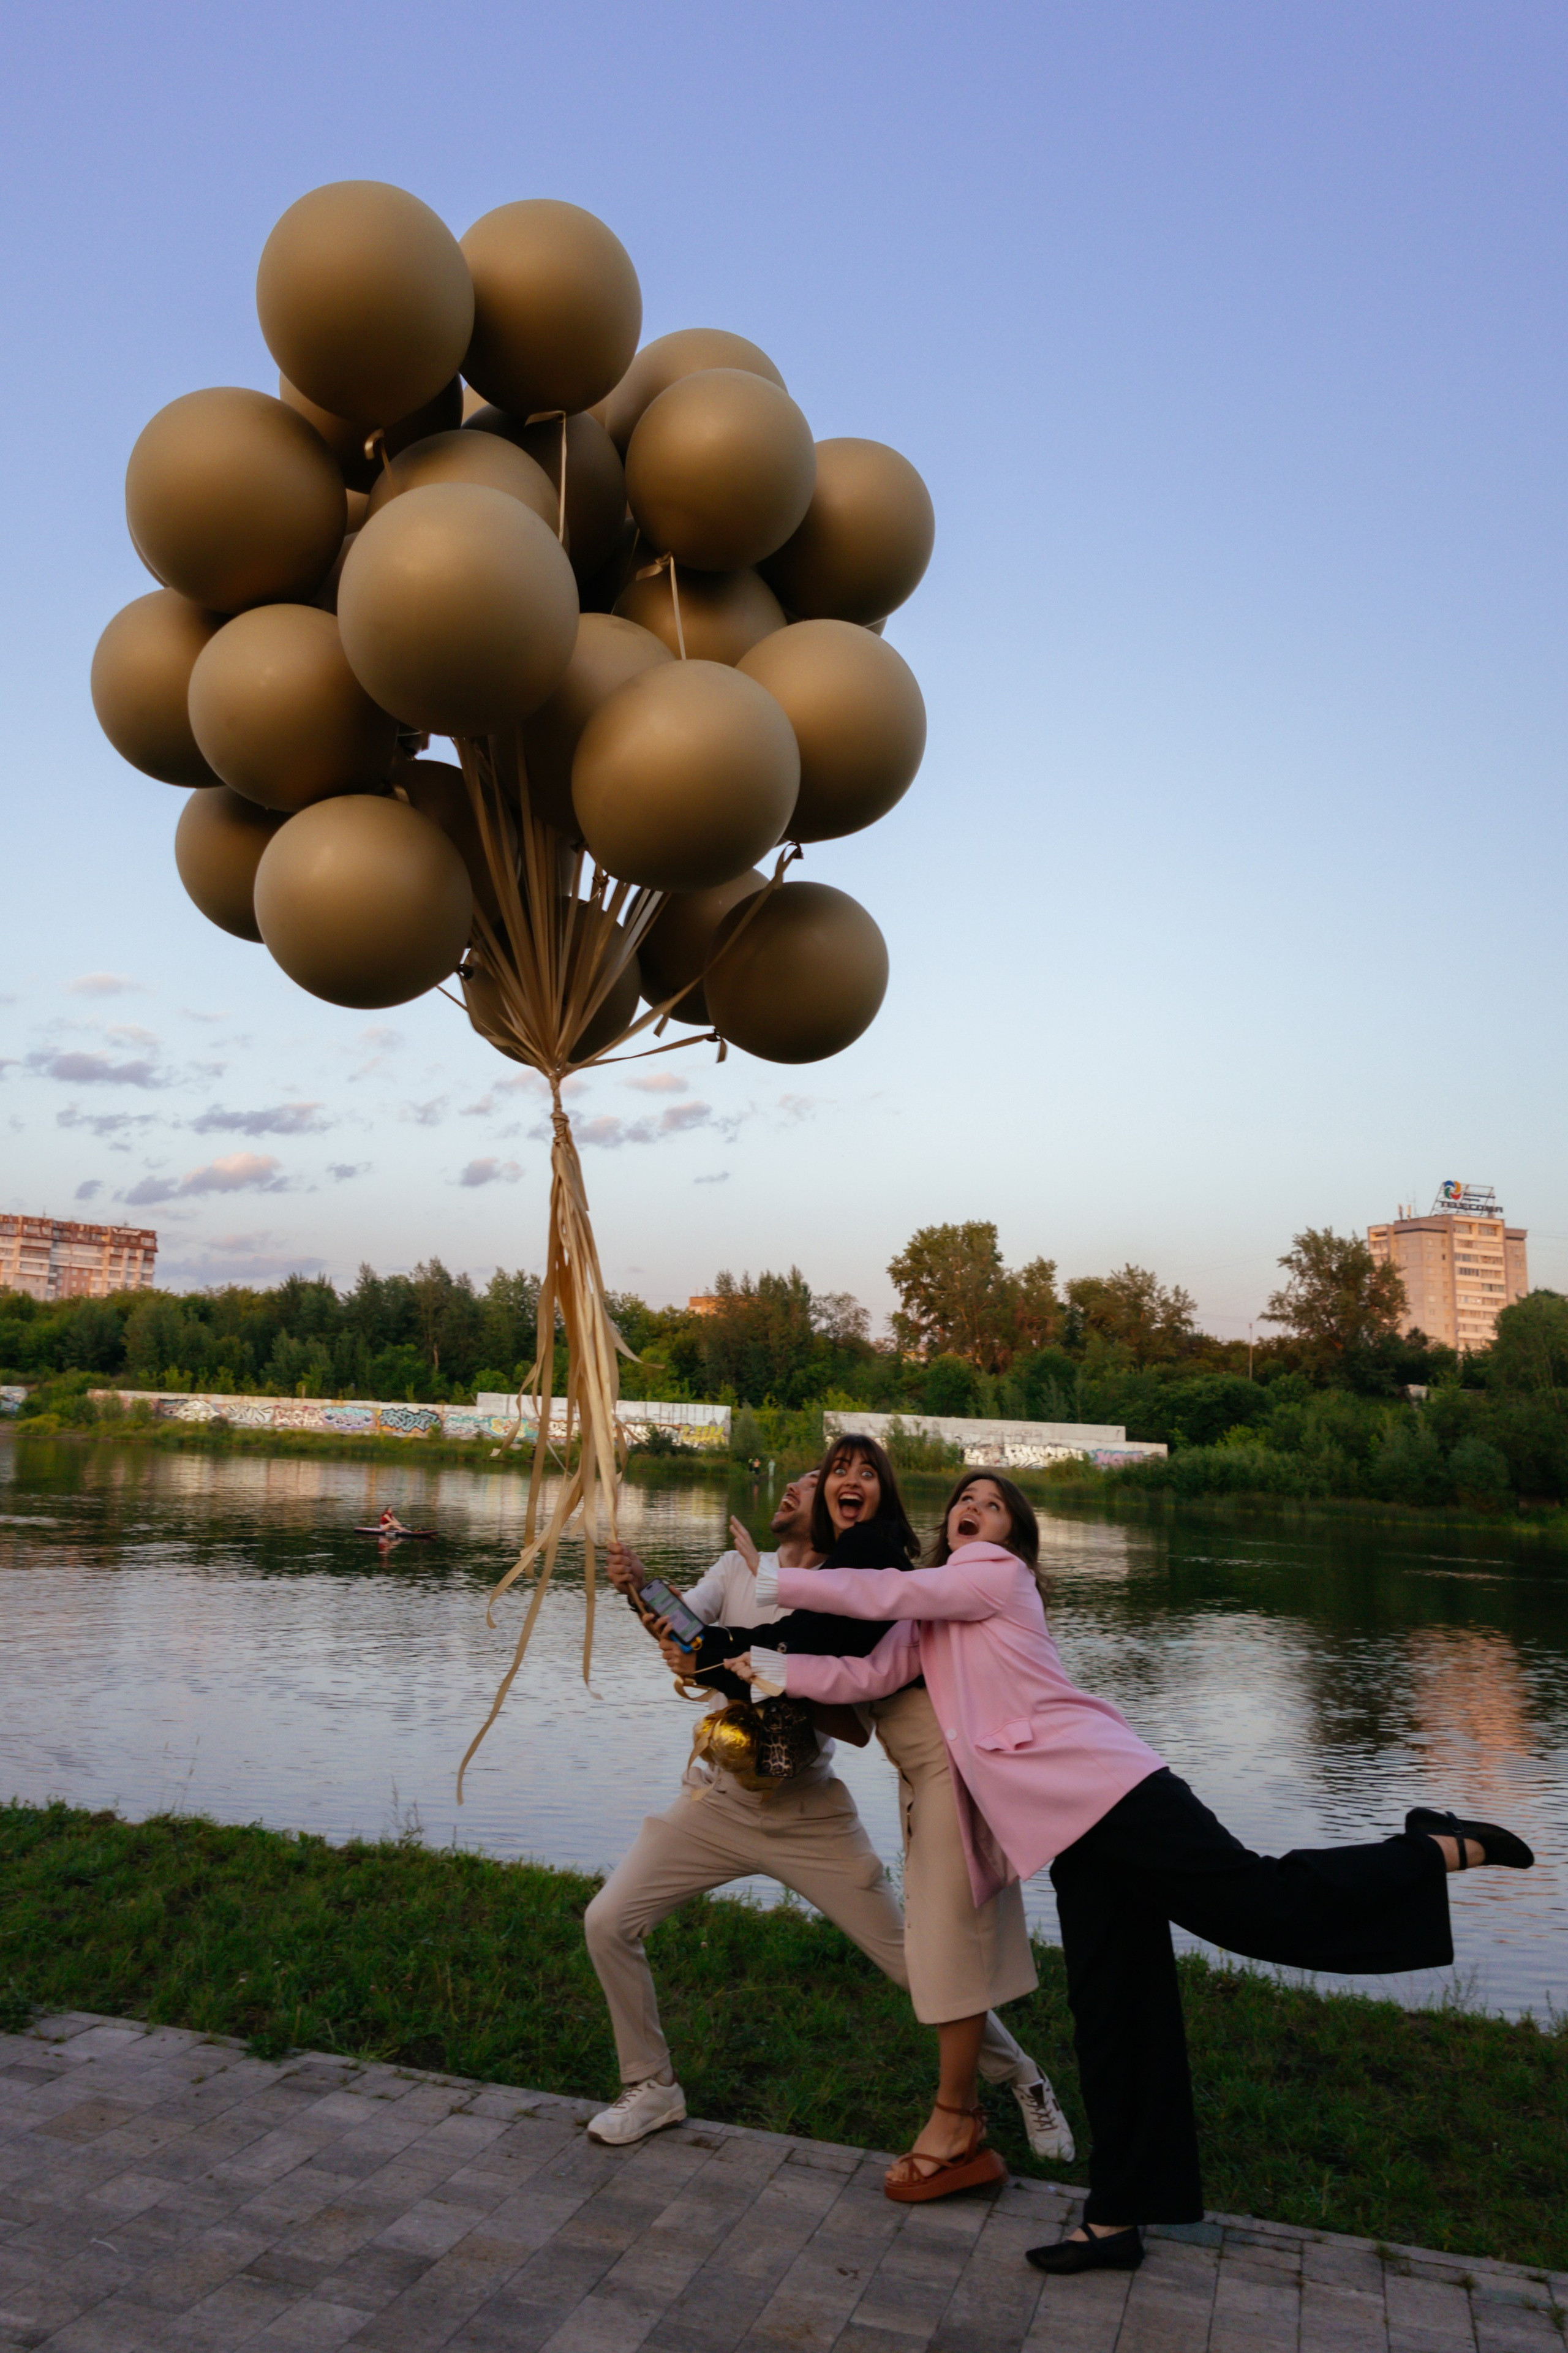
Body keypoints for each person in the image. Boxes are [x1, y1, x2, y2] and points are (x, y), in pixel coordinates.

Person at [729, 1469, 1535, 2271]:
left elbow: (879, 1596)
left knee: (1257, 1906)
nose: (974, 1510)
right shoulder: (937, 1606)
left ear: (1015, 1537)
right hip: (1065, 1828)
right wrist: (752, 1667)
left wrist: (770, 1579)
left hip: (1113, 1790)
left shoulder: (993, 1578)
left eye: (994, 1505)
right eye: (965, 1502)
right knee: (1114, 2007)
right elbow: (863, 1675)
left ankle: (1428, 1847)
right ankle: (1116, 2219)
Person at [586, 1457, 1069, 2162]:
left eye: (814, 1484)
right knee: (607, 1922)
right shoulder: (733, 1566)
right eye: (812, 1476)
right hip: (717, 1800)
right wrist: (639, 1591)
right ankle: (651, 2085)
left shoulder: (853, 1597)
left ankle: (1022, 2076)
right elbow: (685, 1637)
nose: (795, 1488)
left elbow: (854, 1691)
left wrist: (751, 1666)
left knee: (916, 1965)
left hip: (808, 1807)